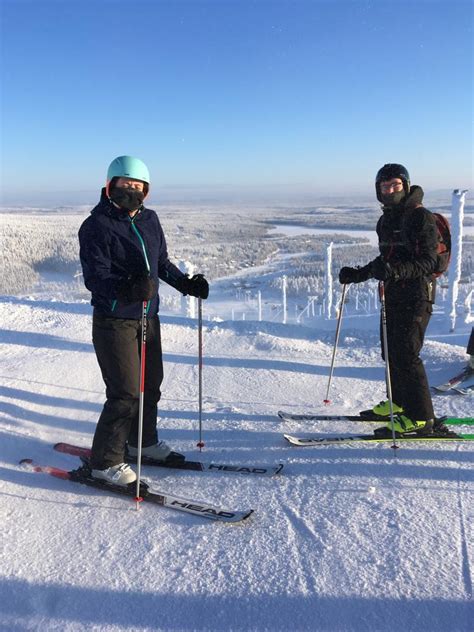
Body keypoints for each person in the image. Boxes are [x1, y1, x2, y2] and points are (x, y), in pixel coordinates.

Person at [78, 156, 209, 485]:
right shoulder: (96, 226)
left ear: (146, 192)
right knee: (124, 393)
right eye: (125, 185)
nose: (131, 192)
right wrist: (127, 289)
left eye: (138, 187)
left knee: (150, 387)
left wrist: (186, 284)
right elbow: (95, 278)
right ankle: (105, 462)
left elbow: (160, 262)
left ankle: (143, 443)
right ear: (110, 186)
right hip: (114, 320)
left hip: (148, 318)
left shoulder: (150, 220)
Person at [338, 163, 449, 436]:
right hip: (394, 295)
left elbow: (428, 261)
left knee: (407, 355)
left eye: (395, 185)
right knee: (392, 352)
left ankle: (422, 418)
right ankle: (399, 404)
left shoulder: (419, 217)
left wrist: (396, 272)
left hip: (417, 294)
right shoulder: (386, 220)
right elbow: (386, 259)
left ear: (406, 185)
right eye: (384, 186)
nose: (389, 190)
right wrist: (359, 274)